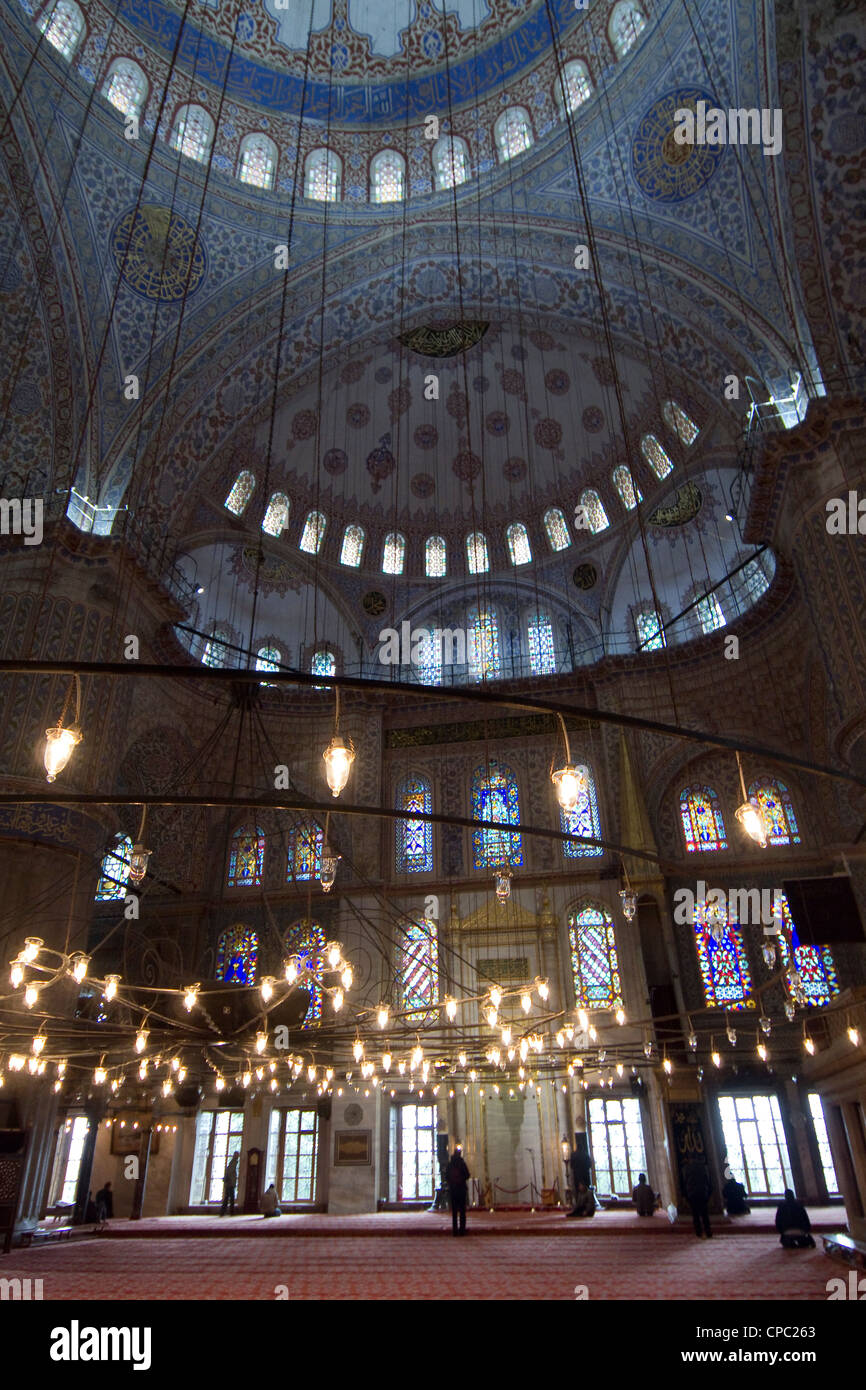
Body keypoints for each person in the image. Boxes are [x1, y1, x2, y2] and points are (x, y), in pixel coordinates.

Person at [682, 1156, 712, 1238]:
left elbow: (685, 1182)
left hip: (692, 1194)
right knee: (704, 1214)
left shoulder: (687, 1168)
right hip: (703, 1193)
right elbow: (707, 1181)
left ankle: (699, 1233)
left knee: (695, 1215)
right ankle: (708, 1232)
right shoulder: (703, 1168)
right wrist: (709, 1194)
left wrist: (685, 1195)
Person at [445, 1144, 471, 1236]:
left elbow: (446, 1177)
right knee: (462, 1212)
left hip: (453, 1190)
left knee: (455, 1212)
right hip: (461, 1190)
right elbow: (467, 1175)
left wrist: (452, 1183)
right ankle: (462, 1231)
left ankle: (455, 1231)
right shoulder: (462, 1163)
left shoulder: (450, 1164)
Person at [221, 1150, 240, 1216]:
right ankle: (231, 1212)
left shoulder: (232, 1162)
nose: (238, 1156)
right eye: (237, 1155)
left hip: (229, 1183)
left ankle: (222, 1212)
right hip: (230, 1183)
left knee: (226, 1198)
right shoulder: (233, 1162)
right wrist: (229, 1179)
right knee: (231, 1198)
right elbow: (230, 1172)